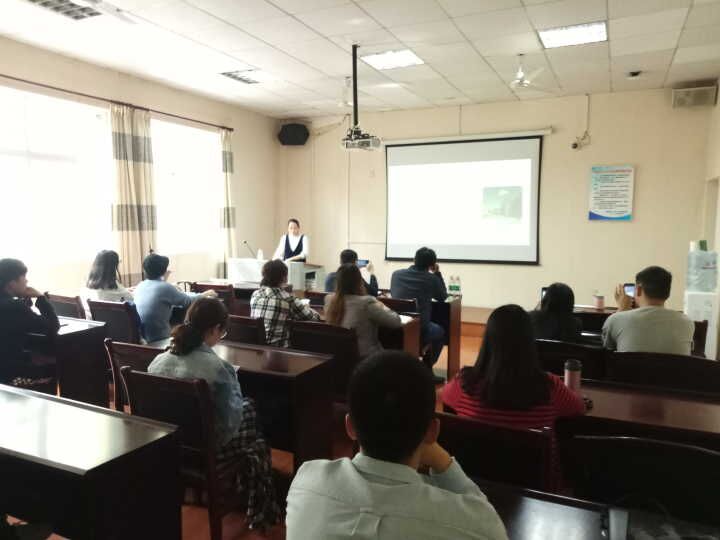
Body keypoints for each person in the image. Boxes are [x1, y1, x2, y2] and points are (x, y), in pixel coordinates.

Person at [286, 351, 508, 540]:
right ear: (432, 432)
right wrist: (443, 462)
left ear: (350, 427)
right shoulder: (471, 524)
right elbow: (494, 529)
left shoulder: (306, 481)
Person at [148, 297, 280, 530]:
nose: (221, 337)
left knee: (248, 412)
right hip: (209, 448)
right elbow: (230, 423)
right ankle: (258, 505)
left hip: (171, 445)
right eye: (222, 332)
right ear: (214, 329)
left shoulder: (157, 362)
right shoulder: (218, 368)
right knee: (255, 426)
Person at [442, 304, 585, 429]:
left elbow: (442, 396)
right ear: (530, 343)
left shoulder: (464, 383)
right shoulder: (551, 388)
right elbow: (579, 408)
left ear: (487, 342)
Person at [603, 266, 694, 355]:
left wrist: (622, 310)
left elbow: (607, 350)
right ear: (668, 293)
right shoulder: (687, 323)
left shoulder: (616, 320)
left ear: (639, 289)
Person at [0, 258, 59, 385]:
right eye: (23, 277)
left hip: (5, 366)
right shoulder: (14, 307)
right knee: (63, 364)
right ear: (12, 284)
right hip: (10, 374)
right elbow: (52, 326)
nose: (26, 281)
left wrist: (24, 304)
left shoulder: (11, 305)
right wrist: (41, 298)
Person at [133, 253, 215, 343]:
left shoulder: (140, 286)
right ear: (163, 270)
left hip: (143, 339)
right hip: (160, 339)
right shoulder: (165, 287)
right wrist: (205, 294)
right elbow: (188, 301)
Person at [390, 247, 447, 374]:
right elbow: (442, 297)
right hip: (420, 328)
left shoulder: (396, 274)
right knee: (440, 331)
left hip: (396, 326)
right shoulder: (431, 279)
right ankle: (426, 368)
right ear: (432, 264)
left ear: (414, 259)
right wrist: (437, 273)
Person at [325, 264, 401, 358]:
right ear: (359, 281)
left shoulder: (329, 300)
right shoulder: (366, 303)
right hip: (367, 359)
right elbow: (396, 322)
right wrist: (382, 305)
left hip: (338, 356)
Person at [250, 259, 320, 347]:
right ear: (284, 277)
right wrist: (306, 307)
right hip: (279, 350)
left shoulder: (255, 294)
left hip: (257, 348)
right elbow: (313, 318)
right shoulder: (288, 298)